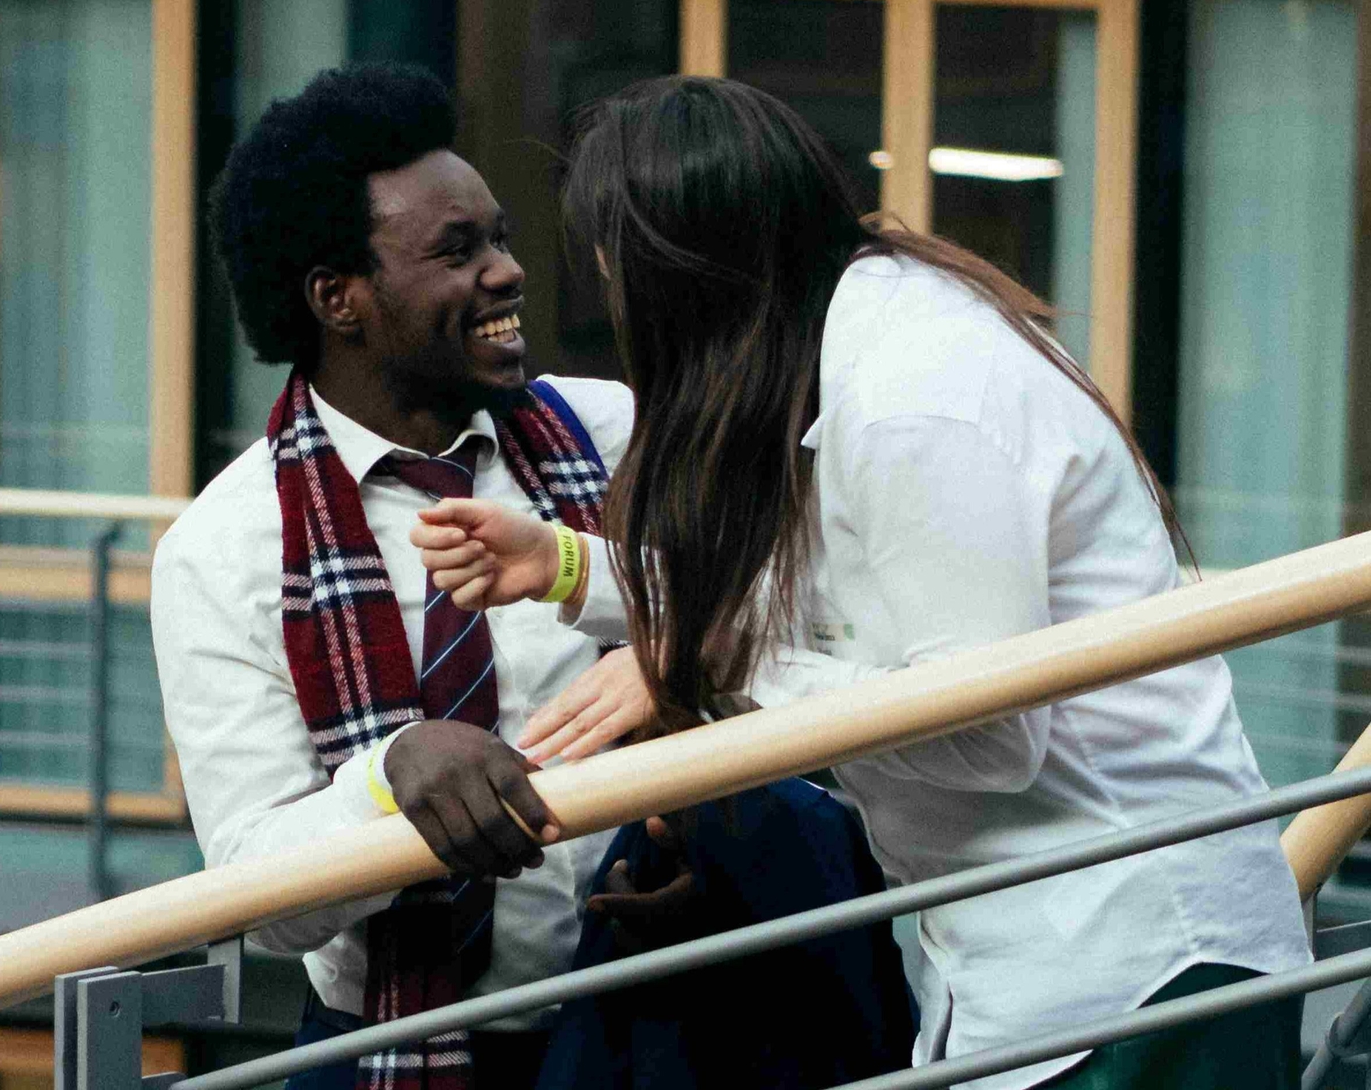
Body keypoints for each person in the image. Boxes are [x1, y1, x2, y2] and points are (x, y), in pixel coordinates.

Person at [408, 75, 1313, 1090]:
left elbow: (987, 731)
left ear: (687, 274)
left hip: (1133, 969)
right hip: (1053, 974)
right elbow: (836, 606)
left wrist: (705, 675)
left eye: (620, 280)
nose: (620, 314)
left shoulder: (909, 399)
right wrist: (568, 567)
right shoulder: (849, 342)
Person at [150, 62, 637, 1090]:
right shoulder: (224, 548)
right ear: (340, 298)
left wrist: (578, 575)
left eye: (499, 238)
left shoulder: (612, 434)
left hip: (657, 1019)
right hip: (387, 1058)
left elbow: (765, 621)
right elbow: (254, 898)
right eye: (457, 251)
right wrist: (388, 777)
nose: (506, 272)